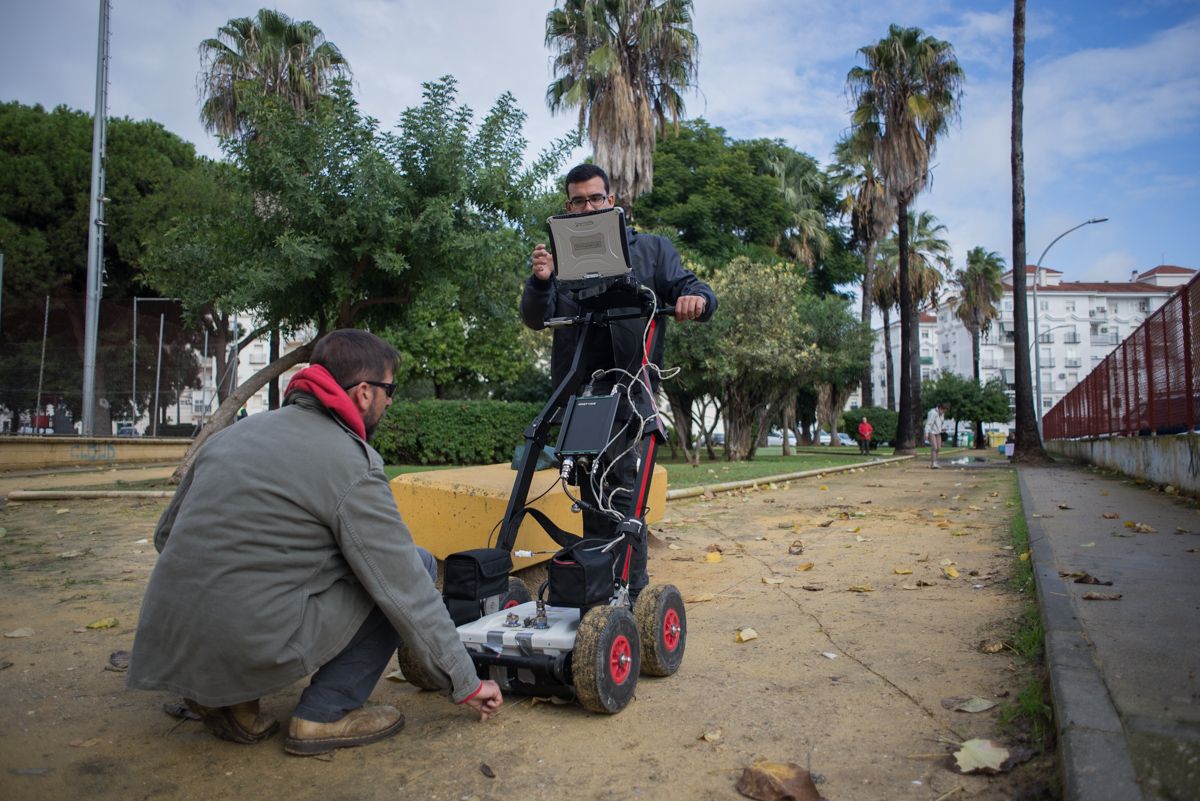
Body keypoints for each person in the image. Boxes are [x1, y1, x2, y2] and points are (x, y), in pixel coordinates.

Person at [127, 329, 501, 756]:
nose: (391, 400)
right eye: (389, 389)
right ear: (363, 393)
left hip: (174, 638)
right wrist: (466, 681)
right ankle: (325, 713)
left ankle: (228, 697)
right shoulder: (349, 460)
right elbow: (405, 588)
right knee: (412, 565)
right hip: (250, 637)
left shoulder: (232, 436)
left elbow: (165, 537)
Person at [521, 164, 717, 595]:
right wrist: (541, 282)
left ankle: (630, 593)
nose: (588, 206)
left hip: (631, 390)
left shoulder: (650, 250)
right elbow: (537, 317)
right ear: (567, 207)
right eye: (578, 201)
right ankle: (595, 589)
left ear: (611, 201)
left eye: (595, 198)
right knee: (590, 494)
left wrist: (696, 299)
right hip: (581, 390)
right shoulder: (560, 261)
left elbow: (692, 286)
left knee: (623, 495)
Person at [924, 403, 947, 469]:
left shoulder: (942, 414)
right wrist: (926, 433)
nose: (943, 412)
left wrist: (942, 428)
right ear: (940, 408)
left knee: (939, 448)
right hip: (931, 432)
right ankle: (933, 463)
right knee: (934, 447)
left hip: (938, 432)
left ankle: (935, 462)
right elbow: (929, 423)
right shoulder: (933, 413)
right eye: (943, 410)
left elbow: (941, 423)